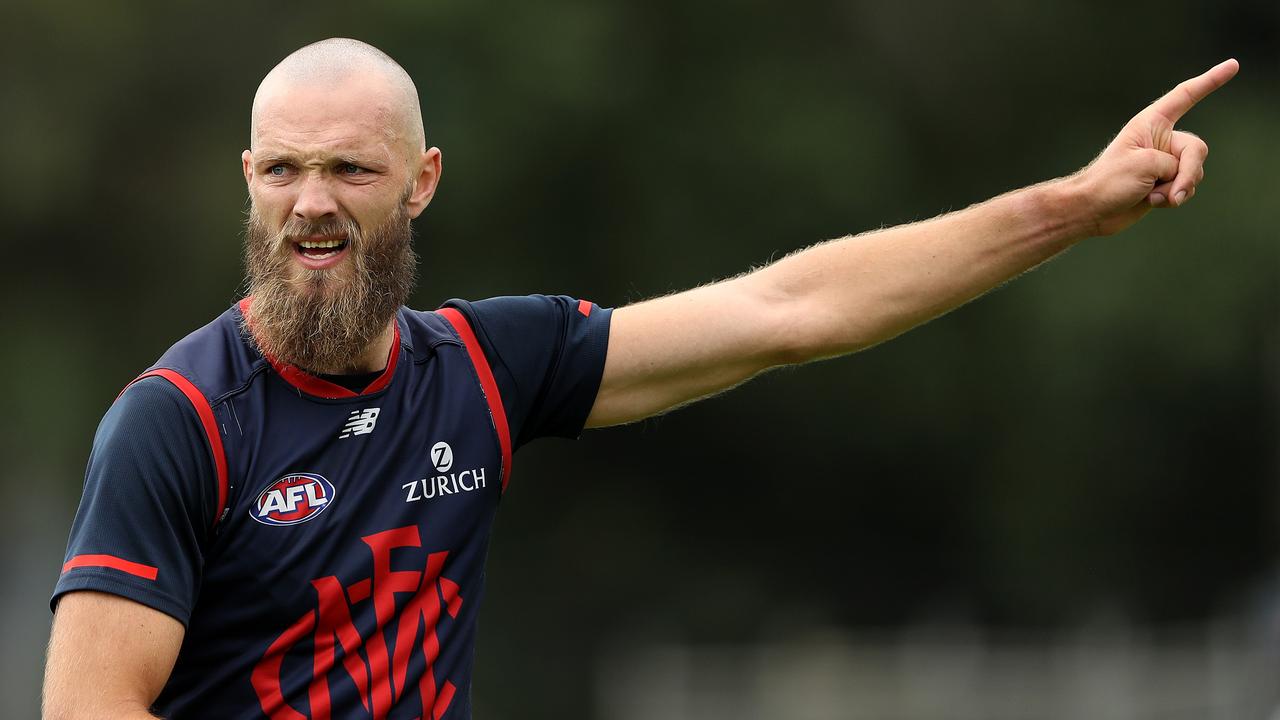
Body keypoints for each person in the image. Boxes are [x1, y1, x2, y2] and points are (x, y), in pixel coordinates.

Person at [42, 37, 1237, 720]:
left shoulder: (483, 370)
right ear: (245, 178)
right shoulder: (175, 422)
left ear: (421, 183)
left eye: (351, 169)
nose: (312, 202)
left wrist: (1068, 210)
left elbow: (790, 309)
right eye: (282, 170)